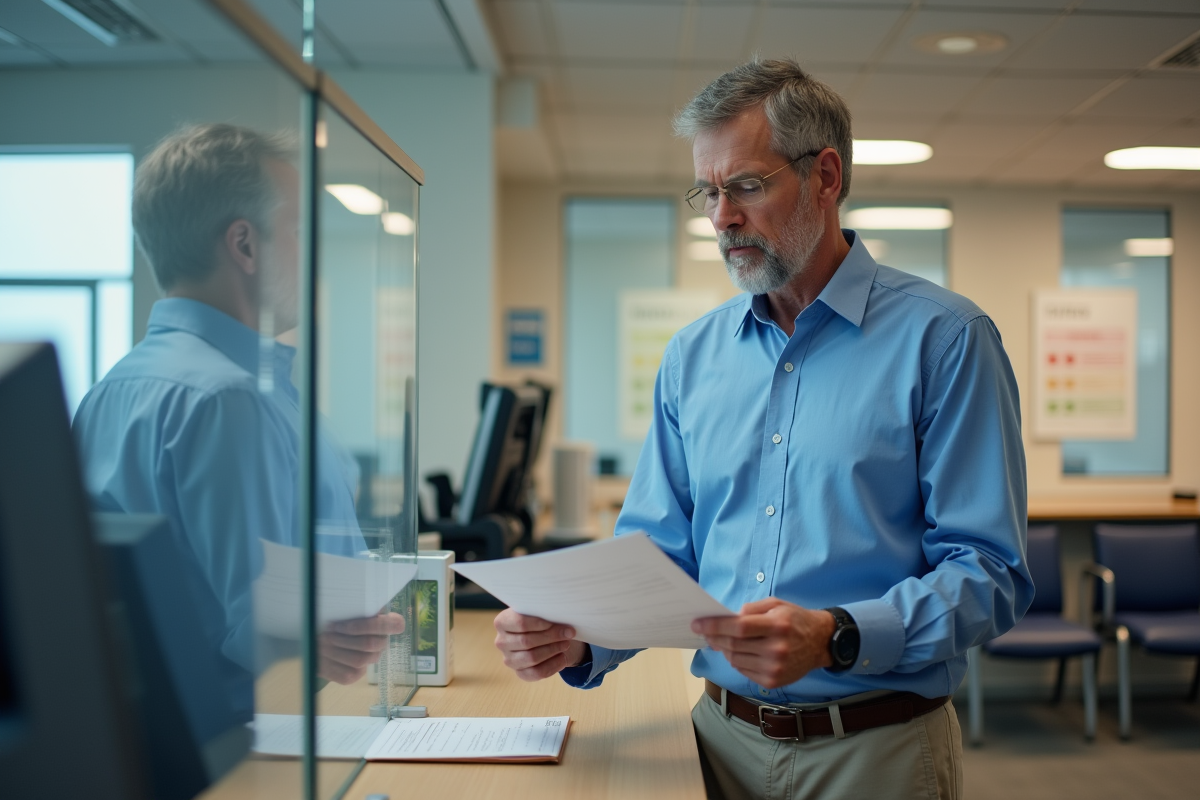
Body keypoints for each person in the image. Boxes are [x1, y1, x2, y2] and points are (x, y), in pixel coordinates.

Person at [493, 59, 1032, 799]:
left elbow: (990, 573)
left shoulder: (945, 340)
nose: (721, 217)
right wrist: (578, 632)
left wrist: (838, 633)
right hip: (716, 743)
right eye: (708, 193)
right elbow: (661, 556)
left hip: (874, 753)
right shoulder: (692, 357)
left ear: (826, 176)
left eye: (745, 185)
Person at [73, 124, 403, 690]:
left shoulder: (109, 391)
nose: (313, 256)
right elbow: (269, 635)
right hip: (256, 748)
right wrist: (329, 639)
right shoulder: (231, 401)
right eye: (299, 231)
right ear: (245, 245)